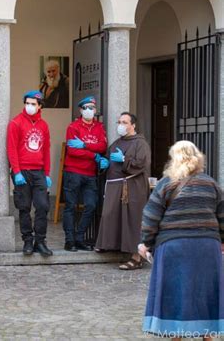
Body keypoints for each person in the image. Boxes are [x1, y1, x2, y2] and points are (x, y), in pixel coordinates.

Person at [139, 141, 224, 340]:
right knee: (206, 289)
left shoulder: (166, 183)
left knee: (174, 290)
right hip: (206, 245)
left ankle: (176, 335)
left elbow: (151, 217)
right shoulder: (211, 183)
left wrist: (146, 243)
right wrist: (221, 240)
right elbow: (222, 215)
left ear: (173, 159)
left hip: (173, 245)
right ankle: (207, 335)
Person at [95, 112, 151, 270]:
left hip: (132, 187)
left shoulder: (141, 143)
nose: (121, 125)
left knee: (133, 220)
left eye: (124, 122)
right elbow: (108, 157)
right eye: (119, 122)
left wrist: (125, 160)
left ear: (133, 125)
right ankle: (110, 243)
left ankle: (137, 257)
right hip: (115, 186)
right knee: (111, 215)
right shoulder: (117, 142)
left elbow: (142, 164)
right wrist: (104, 163)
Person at [7, 90, 53, 257]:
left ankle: (40, 241)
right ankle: (27, 240)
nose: (29, 106)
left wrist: (47, 173)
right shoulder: (16, 123)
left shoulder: (43, 125)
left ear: (40, 106)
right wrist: (17, 171)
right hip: (22, 172)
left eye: (33, 104)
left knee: (43, 206)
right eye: (27, 103)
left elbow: (46, 150)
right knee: (24, 207)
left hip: (39, 171)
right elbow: (11, 148)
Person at [62, 96, 108, 252]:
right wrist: (93, 155)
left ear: (95, 110)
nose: (89, 110)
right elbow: (73, 151)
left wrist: (85, 145)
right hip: (73, 172)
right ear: (81, 110)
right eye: (86, 108)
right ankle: (69, 240)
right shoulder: (73, 127)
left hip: (90, 174)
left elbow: (102, 146)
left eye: (92, 108)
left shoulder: (99, 127)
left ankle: (79, 237)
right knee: (70, 207)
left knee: (91, 205)